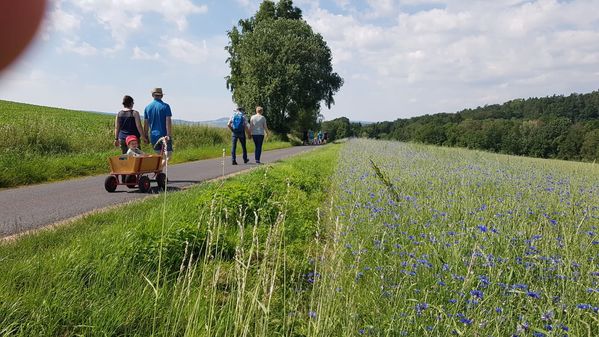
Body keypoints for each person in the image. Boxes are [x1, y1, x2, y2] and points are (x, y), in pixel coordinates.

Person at [143, 88, 172, 163]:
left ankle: (159, 172)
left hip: (153, 136)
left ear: (153, 95)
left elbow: (146, 124)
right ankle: (159, 170)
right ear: (162, 96)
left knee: (159, 156)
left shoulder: (147, 108)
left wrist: (145, 136)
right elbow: (168, 121)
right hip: (164, 135)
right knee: (168, 156)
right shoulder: (165, 106)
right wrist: (168, 135)